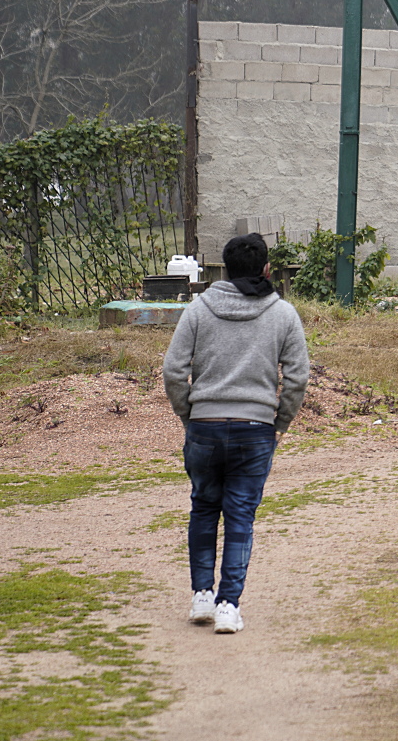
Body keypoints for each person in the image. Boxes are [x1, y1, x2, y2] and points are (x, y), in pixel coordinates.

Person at [161, 231, 310, 636]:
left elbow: (174, 371)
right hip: (255, 429)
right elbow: (297, 378)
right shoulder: (283, 314)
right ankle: (229, 605)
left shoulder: (198, 310)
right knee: (240, 515)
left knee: (204, 509)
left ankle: (201, 596)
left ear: (224, 269)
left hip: (205, 427)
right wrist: (278, 423)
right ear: (266, 269)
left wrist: (190, 417)